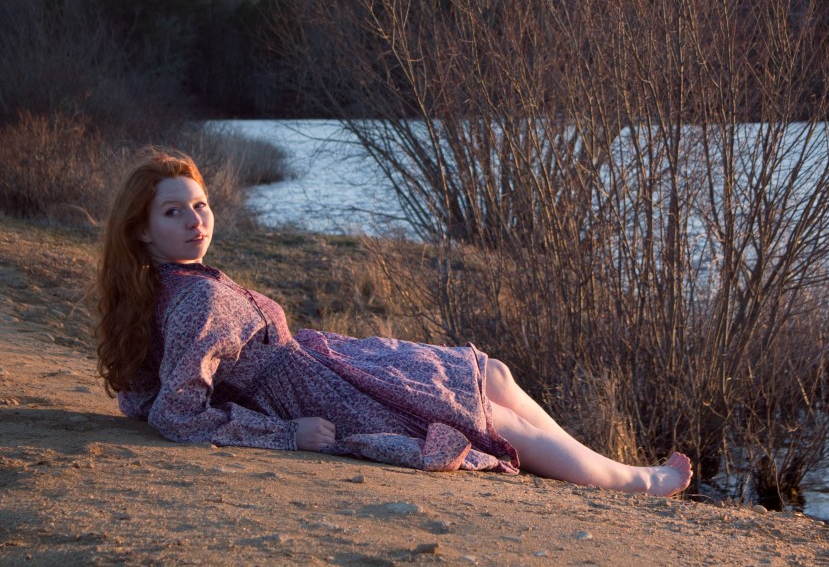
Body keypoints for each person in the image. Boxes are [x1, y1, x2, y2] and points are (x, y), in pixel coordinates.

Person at [95, 147, 692, 496]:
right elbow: (175, 411)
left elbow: (149, 396)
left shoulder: (180, 282)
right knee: (490, 412)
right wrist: (285, 435)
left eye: (200, 206)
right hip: (316, 397)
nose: (196, 221)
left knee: (492, 374)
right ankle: (635, 483)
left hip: (323, 367)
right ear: (143, 229)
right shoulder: (194, 298)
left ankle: (615, 466)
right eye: (175, 212)